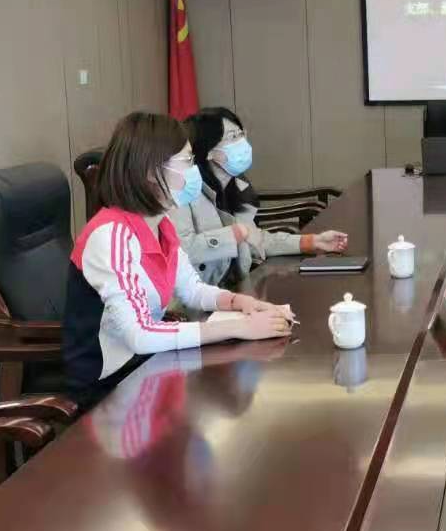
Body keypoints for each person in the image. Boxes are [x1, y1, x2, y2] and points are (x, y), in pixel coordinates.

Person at [63, 112, 295, 406]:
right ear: (150, 172)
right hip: (110, 389)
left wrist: (239, 303)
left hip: (149, 366)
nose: (195, 170)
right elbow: (140, 334)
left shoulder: (161, 223)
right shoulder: (111, 235)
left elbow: (192, 289)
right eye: (186, 161)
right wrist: (239, 327)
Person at [175, 106, 347, 286]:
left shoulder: (236, 187)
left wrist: (312, 242)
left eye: (241, 134)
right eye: (232, 137)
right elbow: (183, 250)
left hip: (236, 289)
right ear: (208, 151)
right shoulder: (184, 192)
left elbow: (255, 239)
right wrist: (233, 235)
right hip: (200, 297)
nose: (242, 142)